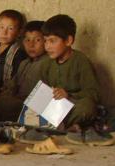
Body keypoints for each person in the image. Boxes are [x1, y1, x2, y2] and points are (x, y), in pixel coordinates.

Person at [38, 14, 111, 145]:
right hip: (55, 109)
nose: (47, 46)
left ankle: (60, 127)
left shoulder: (81, 61)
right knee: (33, 104)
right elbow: (42, 92)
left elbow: (94, 93)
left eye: (52, 41)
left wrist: (68, 95)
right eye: (45, 41)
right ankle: (66, 127)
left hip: (74, 107)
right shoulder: (46, 64)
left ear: (68, 41)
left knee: (87, 107)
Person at [0, 21, 46, 121]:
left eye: (37, 40)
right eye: (27, 40)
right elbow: (12, 86)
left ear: (46, 41)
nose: (31, 45)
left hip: (33, 109)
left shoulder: (48, 64)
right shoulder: (24, 63)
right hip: (18, 102)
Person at [0, 9, 28, 97]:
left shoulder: (18, 53)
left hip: (6, 94)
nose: (4, 32)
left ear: (19, 32)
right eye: (1, 27)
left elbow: (17, 79)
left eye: (10, 28)